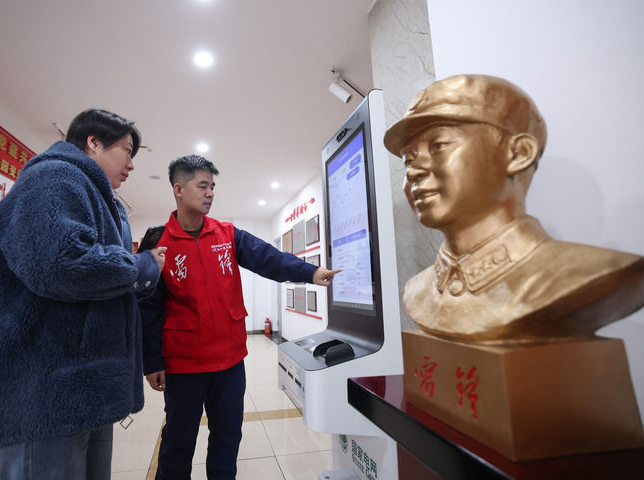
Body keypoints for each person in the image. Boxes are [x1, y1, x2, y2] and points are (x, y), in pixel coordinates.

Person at [0, 108, 167, 479]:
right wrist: (142, 266)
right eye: (127, 151)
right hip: (47, 392)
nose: (131, 164)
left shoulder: (95, 196)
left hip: (82, 387)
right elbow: (62, 264)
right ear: (94, 142)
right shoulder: (53, 177)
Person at [384, 74, 644, 343]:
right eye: (409, 159)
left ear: (519, 153)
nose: (413, 171)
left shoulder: (590, 274)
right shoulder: (418, 292)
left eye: (439, 146)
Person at [140, 155, 341, 480]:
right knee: (178, 441)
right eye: (202, 186)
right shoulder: (159, 244)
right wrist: (151, 361)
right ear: (178, 189)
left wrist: (310, 272)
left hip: (230, 362)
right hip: (184, 365)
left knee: (228, 438)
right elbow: (149, 307)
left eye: (212, 187)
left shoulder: (227, 234)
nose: (210, 193)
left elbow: (269, 258)